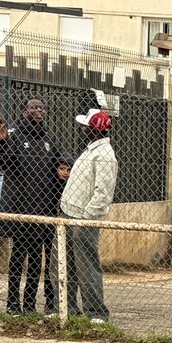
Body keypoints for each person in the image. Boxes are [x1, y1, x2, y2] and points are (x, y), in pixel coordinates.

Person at [0, 97, 63, 315]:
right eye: (33, 107)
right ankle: (13, 303)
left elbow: (59, 167)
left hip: (44, 209)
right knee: (18, 256)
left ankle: (30, 304)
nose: (38, 110)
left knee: (37, 260)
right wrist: (1, 141)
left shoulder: (49, 139)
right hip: (20, 209)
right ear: (24, 111)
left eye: (41, 107)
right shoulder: (13, 135)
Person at [58, 108, 118, 323]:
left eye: (86, 127)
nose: (83, 130)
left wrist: (87, 217)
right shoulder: (91, 150)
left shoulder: (104, 155)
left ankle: (96, 313)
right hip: (69, 213)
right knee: (66, 266)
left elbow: (103, 193)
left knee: (87, 265)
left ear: (94, 130)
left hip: (82, 218)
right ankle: (66, 309)